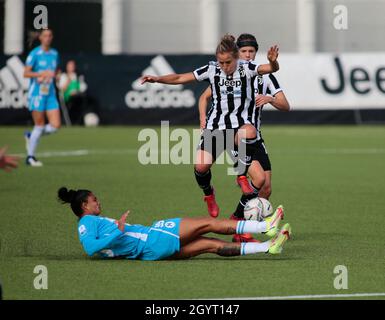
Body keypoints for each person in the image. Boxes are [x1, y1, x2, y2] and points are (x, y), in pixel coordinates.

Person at [141, 34, 280, 218]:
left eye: (228, 62)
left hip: (238, 127)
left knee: (251, 136)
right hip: (215, 128)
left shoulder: (247, 68)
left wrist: (273, 62)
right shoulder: (212, 69)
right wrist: (157, 79)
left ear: (236, 58)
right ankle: (208, 194)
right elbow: (181, 78)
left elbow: (270, 68)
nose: (224, 66)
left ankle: (241, 177)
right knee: (200, 167)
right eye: (221, 62)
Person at [199, 33, 290, 242]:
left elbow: (285, 105)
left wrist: (270, 99)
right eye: (244, 52)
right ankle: (241, 226)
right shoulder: (229, 74)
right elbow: (205, 96)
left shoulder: (264, 76)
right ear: (237, 54)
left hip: (255, 137)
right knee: (256, 179)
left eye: (251, 52)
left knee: (266, 187)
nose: (248, 55)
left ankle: (239, 223)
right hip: (234, 135)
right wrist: (203, 119)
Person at [58, 187, 291, 260]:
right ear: (84, 207)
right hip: (152, 238)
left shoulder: (92, 220)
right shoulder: (86, 222)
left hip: (150, 252)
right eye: (93, 200)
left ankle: (267, 247)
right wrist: (118, 232)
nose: (98, 202)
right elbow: (90, 248)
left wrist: (116, 235)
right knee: (206, 224)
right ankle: (264, 227)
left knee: (210, 245)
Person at [24, 28, 61, 167]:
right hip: (37, 94)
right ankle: (30, 157)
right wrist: (40, 74)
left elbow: (55, 70)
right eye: (45, 35)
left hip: (50, 93)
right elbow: (26, 73)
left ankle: (31, 136)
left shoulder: (54, 53)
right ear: (40, 38)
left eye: (50, 35)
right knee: (39, 125)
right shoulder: (35, 54)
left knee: (56, 125)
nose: (48, 38)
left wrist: (56, 75)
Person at [59, 60, 97, 125]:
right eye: (70, 66)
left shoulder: (78, 76)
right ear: (67, 67)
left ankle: (79, 121)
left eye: (73, 66)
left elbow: (83, 88)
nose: (71, 68)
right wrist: (68, 80)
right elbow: (62, 89)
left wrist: (77, 91)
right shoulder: (63, 76)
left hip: (77, 97)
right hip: (66, 98)